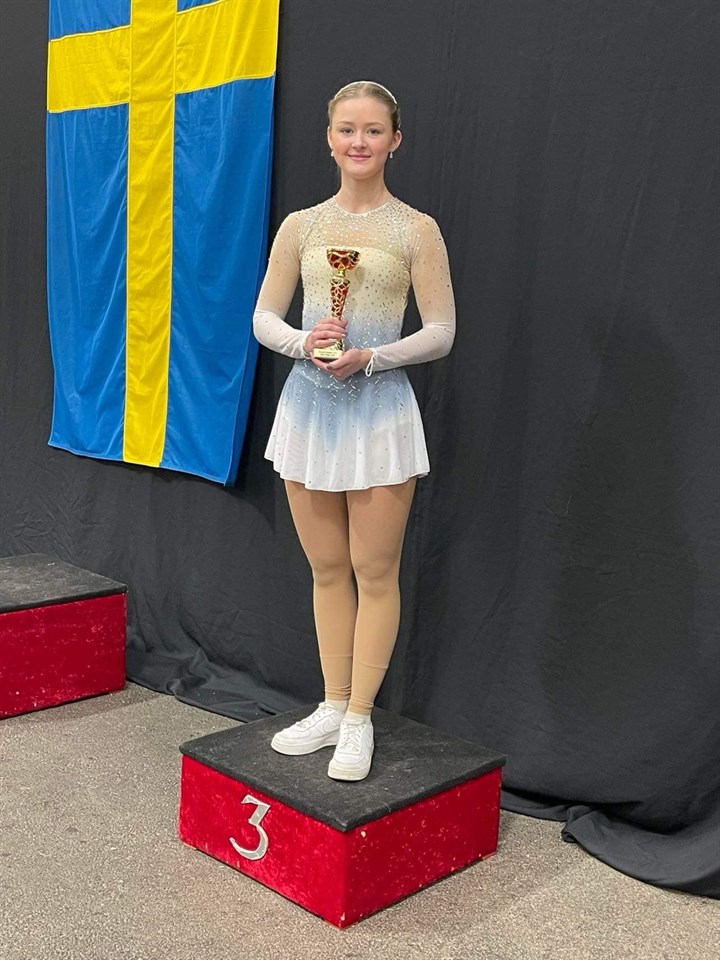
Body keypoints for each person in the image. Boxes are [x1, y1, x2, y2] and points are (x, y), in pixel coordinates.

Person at [252, 80, 456, 781]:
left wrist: (374, 357)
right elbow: (264, 317)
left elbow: (442, 331)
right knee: (327, 569)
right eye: (347, 129)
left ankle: (360, 718)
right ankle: (332, 704)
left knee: (375, 570)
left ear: (395, 140)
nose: (359, 141)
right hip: (309, 412)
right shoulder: (301, 226)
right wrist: (303, 343)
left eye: (372, 130)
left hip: (379, 417)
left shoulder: (416, 229)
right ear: (329, 138)